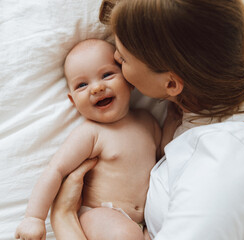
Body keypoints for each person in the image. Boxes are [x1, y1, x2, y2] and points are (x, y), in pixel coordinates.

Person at [50, 0, 244, 239]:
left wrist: (64, 219)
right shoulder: (213, 98)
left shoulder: (218, 176)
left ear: (171, 83)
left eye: (124, 59)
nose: (115, 58)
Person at [15, 39, 161, 240]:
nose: (97, 88)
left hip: (142, 222)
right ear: (73, 100)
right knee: (124, 235)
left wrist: (175, 116)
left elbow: (165, 156)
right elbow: (55, 170)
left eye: (107, 75)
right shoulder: (91, 132)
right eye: (82, 85)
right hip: (100, 214)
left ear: (129, 80)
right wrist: (34, 217)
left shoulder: (147, 121)